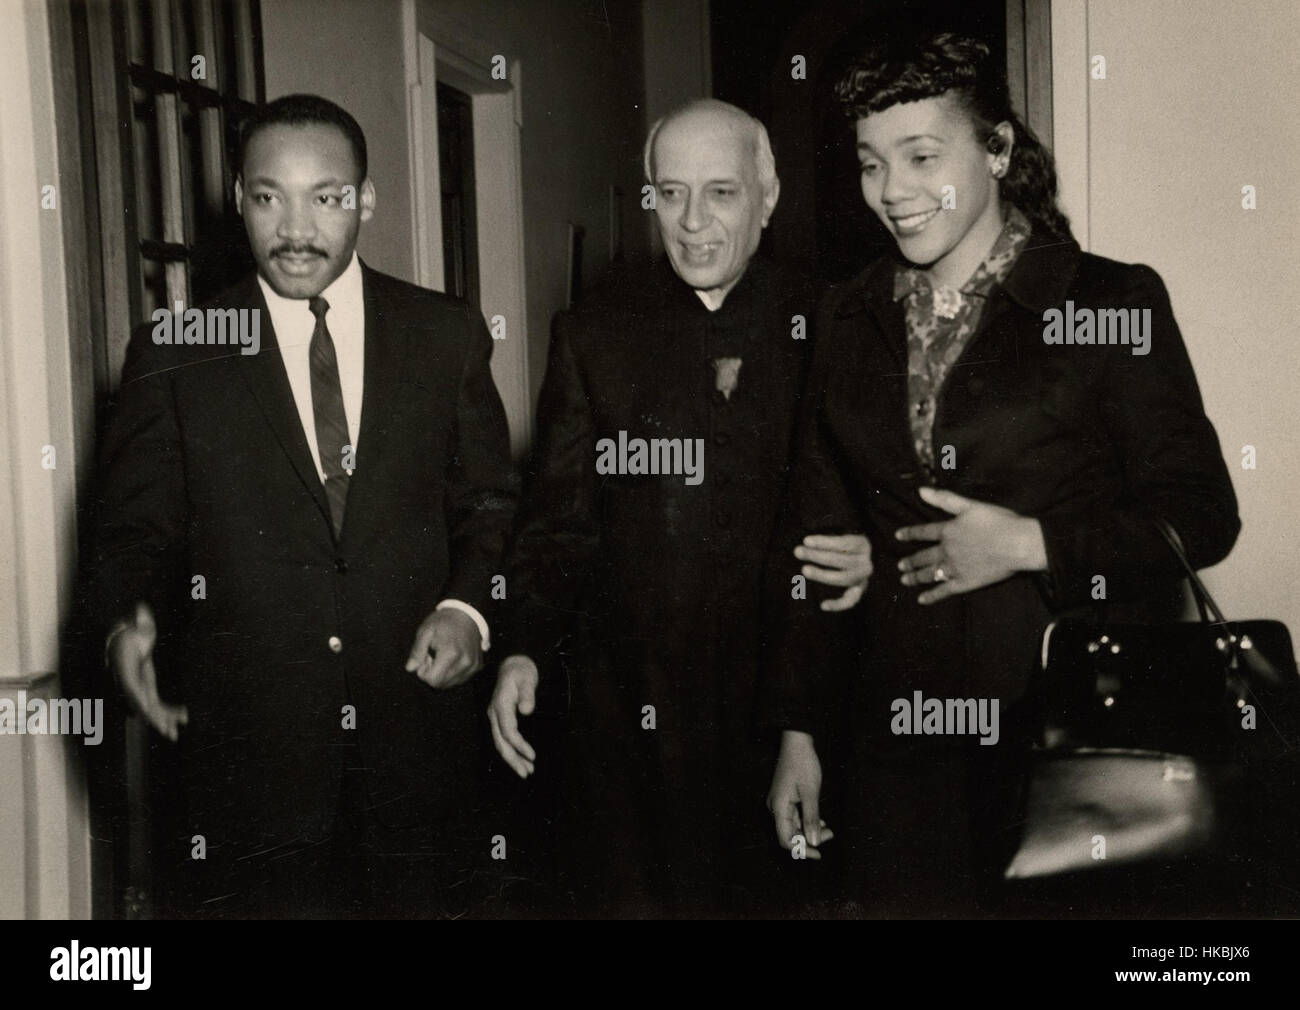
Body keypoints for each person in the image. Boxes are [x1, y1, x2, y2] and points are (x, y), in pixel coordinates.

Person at [763, 33, 1240, 917]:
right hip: (899, 753)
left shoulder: (1108, 302)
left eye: (921, 157)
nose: (893, 192)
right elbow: (819, 540)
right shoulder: (845, 316)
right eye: (871, 164)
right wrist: (799, 731)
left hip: (1071, 746)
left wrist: (1030, 543)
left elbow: (1203, 515)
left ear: (997, 150)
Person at [92, 94, 517, 918]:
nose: (294, 228)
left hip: (417, 749)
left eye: (325, 197)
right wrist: (125, 624)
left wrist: (467, 607)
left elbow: (491, 502)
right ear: (237, 199)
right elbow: (130, 534)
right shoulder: (175, 351)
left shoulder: (445, 334)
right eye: (266, 197)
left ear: (366, 200)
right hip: (250, 766)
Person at [487, 99, 873, 917]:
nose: (693, 221)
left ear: (767, 197)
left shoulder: (834, 324)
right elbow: (558, 523)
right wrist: (522, 647)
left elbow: (837, 534)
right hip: (626, 733)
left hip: (785, 718)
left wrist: (802, 728)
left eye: (722, 193)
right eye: (670, 193)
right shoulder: (592, 336)